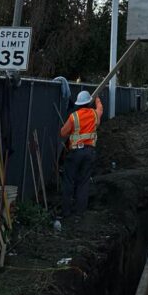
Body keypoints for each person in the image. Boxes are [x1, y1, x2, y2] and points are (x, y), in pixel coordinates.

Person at [59, 89, 103, 218]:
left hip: (75, 153)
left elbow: (62, 133)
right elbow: (100, 108)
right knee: (83, 182)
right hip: (89, 153)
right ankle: (80, 212)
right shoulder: (95, 114)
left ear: (78, 103)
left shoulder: (74, 117)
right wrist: (97, 98)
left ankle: (66, 212)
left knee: (68, 181)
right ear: (89, 102)